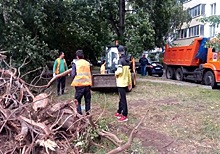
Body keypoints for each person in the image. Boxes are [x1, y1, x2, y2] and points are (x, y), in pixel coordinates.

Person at [71, 50, 92, 115]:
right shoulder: (87, 63)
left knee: (77, 100)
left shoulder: (76, 63)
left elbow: (73, 74)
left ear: (77, 57)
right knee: (87, 101)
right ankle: (88, 114)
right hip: (87, 84)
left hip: (79, 85)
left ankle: (79, 114)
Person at [114, 45, 132, 122]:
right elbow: (128, 73)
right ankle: (119, 111)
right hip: (125, 82)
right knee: (121, 98)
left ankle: (124, 115)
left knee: (123, 99)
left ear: (119, 53)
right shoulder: (127, 61)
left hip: (121, 82)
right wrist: (129, 83)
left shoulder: (120, 61)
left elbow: (119, 71)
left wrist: (115, 73)